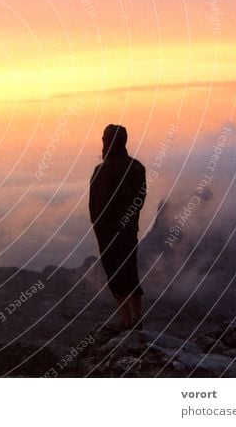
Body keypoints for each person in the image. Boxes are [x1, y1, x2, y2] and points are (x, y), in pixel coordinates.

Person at [89, 124, 147, 330]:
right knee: (131, 270)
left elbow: (96, 205)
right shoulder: (138, 167)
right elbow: (140, 198)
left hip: (109, 232)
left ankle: (125, 319)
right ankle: (137, 318)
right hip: (130, 229)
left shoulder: (102, 170)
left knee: (115, 273)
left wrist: (101, 227)